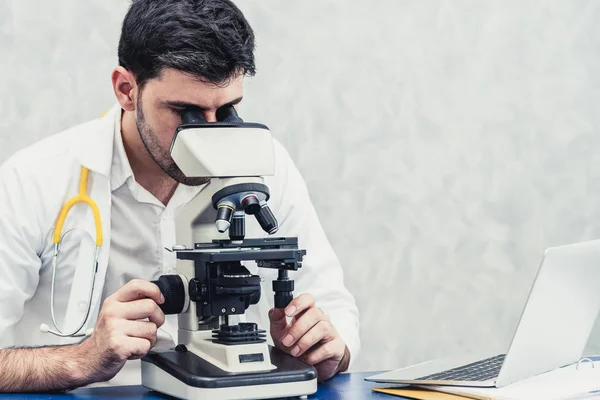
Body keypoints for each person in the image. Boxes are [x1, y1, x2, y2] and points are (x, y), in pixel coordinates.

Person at [0, 0, 360, 392]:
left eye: (226, 112)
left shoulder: (262, 162)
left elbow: (332, 306)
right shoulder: (35, 180)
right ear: (126, 90)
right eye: (184, 111)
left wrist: (328, 347)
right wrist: (80, 358)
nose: (206, 133)